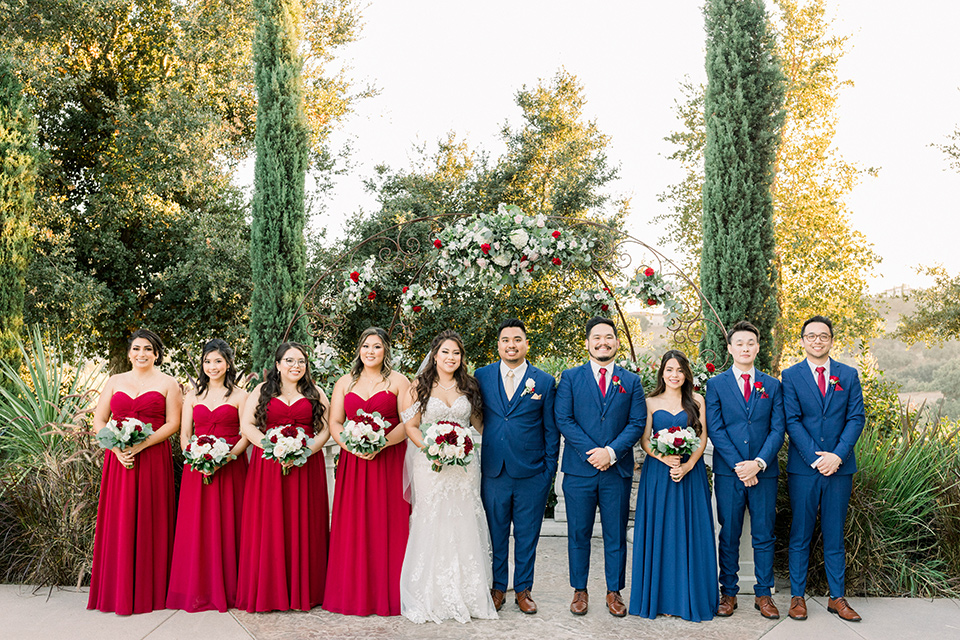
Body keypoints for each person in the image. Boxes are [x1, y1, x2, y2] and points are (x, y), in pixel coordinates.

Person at [398, 329, 498, 623]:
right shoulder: (419, 386)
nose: (451, 357)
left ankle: (469, 594)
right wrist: (432, 449)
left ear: (461, 357)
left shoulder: (469, 386)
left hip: (465, 466)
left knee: (464, 520)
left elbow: (479, 424)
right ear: (435, 355)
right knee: (433, 520)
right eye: (445, 352)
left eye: (456, 353)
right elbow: (411, 426)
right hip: (430, 465)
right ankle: (431, 593)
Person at [554, 316, 646, 617]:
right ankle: (579, 590)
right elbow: (563, 419)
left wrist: (611, 452)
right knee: (578, 533)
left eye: (609, 337)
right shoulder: (570, 377)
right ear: (587, 343)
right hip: (580, 470)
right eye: (597, 337)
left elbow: (636, 423)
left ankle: (613, 591)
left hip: (615, 472)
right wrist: (593, 452)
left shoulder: (631, 381)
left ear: (617, 343)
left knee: (615, 534)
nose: (603, 342)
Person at [87, 329, 182, 615]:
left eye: (148, 349)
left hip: (152, 457)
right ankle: (117, 590)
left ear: (156, 354)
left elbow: (173, 424)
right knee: (120, 518)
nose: (142, 354)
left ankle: (150, 591)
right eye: (137, 348)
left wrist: (140, 447)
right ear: (129, 353)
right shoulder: (115, 381)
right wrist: (116, 449)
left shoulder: (169, 383)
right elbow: (100, 420)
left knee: (151, 518)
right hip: (119, 461)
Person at [235, 342, 330, 613]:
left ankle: (306, 590)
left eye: (300, 361)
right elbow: (247, 425)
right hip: (269, 466)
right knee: (271, 522)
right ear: (277, 365)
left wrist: (307, 450)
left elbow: (325, 429)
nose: (295, 366)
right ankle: (270, 591)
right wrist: (271, 446)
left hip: (306, 467)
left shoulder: (315, 393)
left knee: (304, 521)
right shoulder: (261, 391)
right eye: (289, 361)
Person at [782, 315, 865, 623]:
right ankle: (797, 596)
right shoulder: (790, 376)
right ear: (803, 341)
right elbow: (792, 419)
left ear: (832, 340)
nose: (817, 341)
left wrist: (837, 456)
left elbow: (856, 418)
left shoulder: (848, 374)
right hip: (804, 469)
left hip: (839, 469)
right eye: (811, 336)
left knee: (834, 534)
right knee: (800, 533)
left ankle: (837, 597)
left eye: (823, 336)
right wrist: (816, 458)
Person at [474, 318, 559, 614]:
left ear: (526, 343)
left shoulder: (545, 382)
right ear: (498, 345)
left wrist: (548, 471)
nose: (511, 345)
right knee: (496, 533)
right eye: (506, 340)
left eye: (517, 339)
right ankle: (498, 588)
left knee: (527, 534)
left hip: (532, 473)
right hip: (494, 471)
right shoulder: (481, 376)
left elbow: (551, 430)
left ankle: (523, 589)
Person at [324, 328, 411, 616]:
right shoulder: (345, 382)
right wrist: (350, 445)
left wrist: (382, 442)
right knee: (354, 524)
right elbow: (335, 422)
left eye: (376, 346)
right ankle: (353, 593)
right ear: (359, 350)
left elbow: (407, 424)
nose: (370, 351)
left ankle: (390, 593)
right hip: (354, 462)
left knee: (388, 521)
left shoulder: (399, 381)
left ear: (386, 350)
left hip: (389, 461)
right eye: (365, 346)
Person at [629, 349, 718, 621]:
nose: (674, 375)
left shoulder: (698, 401)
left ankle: (689, 599)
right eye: (669, 369)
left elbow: (702, 438)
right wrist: (664, 457)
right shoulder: (650, 402)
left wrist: (688, 465)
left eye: (680, 370)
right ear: (662, 373)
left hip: (690, 475)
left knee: (690, 533)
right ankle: (660, 600)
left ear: (686, 374)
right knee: (661, 533)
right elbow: (645, 440)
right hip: (658, 475)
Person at [705, 321, 785, 619]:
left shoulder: (773, 385)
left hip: (764, 471)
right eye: (739, 343)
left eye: (750, 343)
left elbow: (778, 429)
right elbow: (716, 428)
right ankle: (728, 593)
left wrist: (758, 463)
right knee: (729, 534)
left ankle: (764, 595)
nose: (745, 348)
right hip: (729, 472)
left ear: (758, 347)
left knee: (764, 534)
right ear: (730, 348)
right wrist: (741, 465)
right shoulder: (716, 385)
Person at [166, 339, 249, 612]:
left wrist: (225, 458)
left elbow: (246, 434)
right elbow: (185, 435)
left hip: (231, 468)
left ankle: (230, 589)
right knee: (197, 527)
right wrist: (196, 457)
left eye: (218, 361)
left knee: (230, 524)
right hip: (197, 468)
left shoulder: (240, 396)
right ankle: (198, 588)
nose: (212, 366)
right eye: (207, 361)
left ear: (228, 363)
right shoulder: (192, 396)